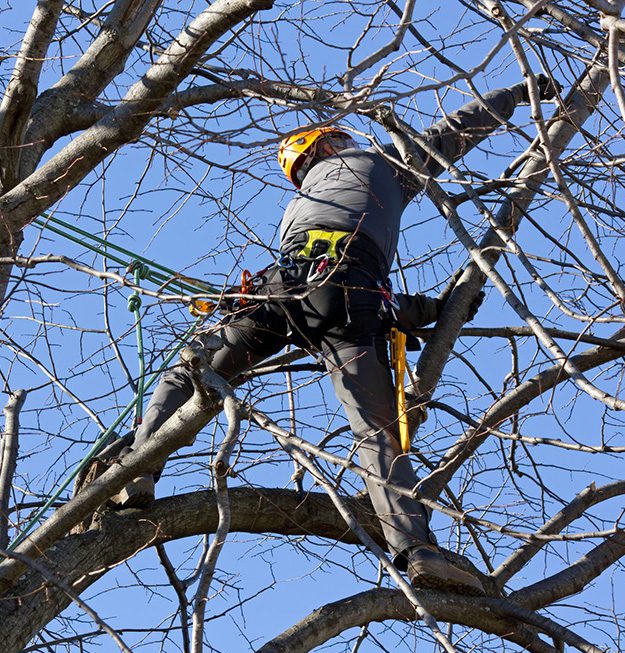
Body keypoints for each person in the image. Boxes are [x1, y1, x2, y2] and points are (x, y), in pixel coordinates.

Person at [109, 75, 561, 595]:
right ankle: (417, 552)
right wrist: (519, 92)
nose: (350, 144)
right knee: (376, 435)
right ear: (324, 146)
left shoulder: (297, 209)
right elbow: (458, 130)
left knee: (192, 369)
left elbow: (345, 289)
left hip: (278, 294)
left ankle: (139, 467)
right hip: (347, 298)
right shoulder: (379, 166)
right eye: (340, 139)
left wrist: (433, 307)